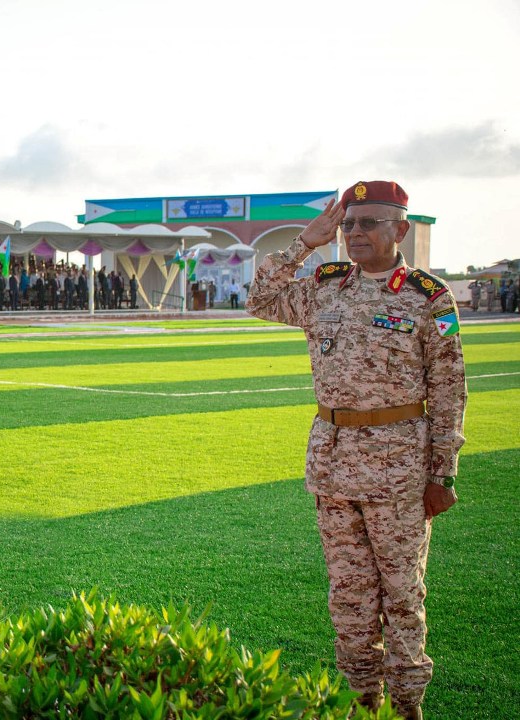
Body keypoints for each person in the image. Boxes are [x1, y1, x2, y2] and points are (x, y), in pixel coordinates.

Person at [245, 181, 465, 720]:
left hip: (400, 472)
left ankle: (409, 706)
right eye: (349, 223)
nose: (355, 232)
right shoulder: (325, 288)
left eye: (369, 222)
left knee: (402, 598)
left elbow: (449, 388)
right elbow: (260, 301)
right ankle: (363, 700)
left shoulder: (426, 296)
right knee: (348, 599)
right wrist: (305, 243)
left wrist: (443, 472)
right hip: (334, 466)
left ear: (400, 230)